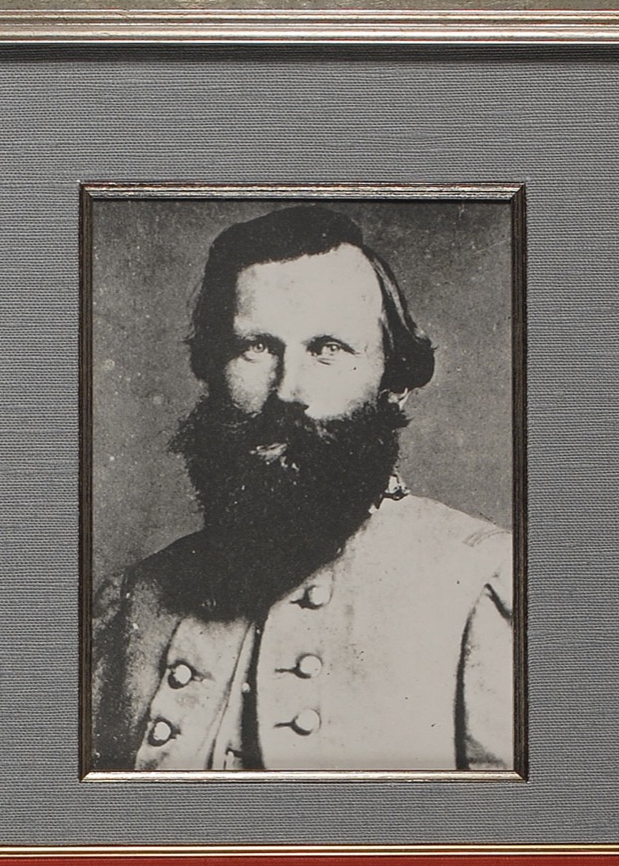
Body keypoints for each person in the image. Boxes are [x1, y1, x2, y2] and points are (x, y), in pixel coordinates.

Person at [91, 204, 514, 772]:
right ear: (213, 367)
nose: (288, 390)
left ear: (394, 383)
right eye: (257, 347)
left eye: (328, 349)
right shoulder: (134, 599)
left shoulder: (482, 581)